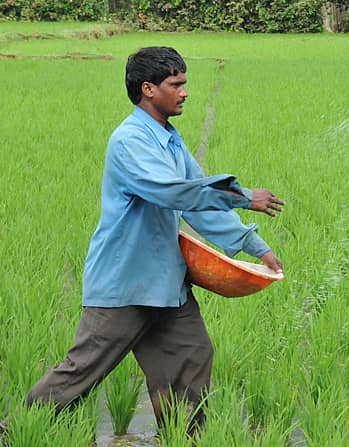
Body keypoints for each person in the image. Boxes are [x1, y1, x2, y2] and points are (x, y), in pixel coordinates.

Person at [0, 46, 284, 439]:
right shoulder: (129, 140)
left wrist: (257, 248)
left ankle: (183, 438)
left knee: (192, 357)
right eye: (176, 84)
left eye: (185, 83)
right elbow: (172, 192)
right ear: (148, 89)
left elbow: (199, 208)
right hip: (125, 286)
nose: (185, 92)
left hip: (167, 286)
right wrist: (243, 195)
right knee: (80, 374)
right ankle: (12, 433)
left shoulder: (169, 139)